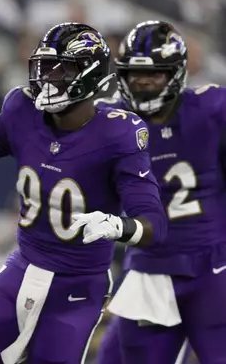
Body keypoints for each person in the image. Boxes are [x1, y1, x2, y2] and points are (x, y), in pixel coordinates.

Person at [0, 22, 167, 364]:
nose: (49, 78)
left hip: (77, 284)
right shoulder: (23, 110)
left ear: (90, 76)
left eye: (61, 69)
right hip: (23, 266)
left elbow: (153, 223)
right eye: (45, 67)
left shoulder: (118, 133)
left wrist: (118, 226)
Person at [94, 20, 226, 364]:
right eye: (135, 75)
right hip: (149, 268)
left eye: (154, 74)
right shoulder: (109, 121)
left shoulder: (210, 110)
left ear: (176, 74)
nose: (143, 83)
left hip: (212, 265)